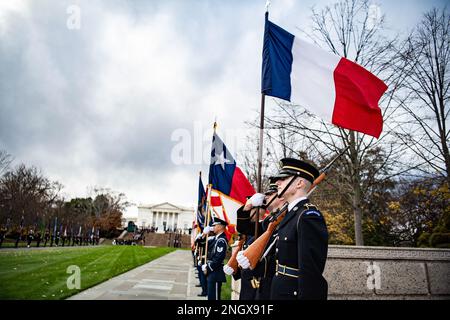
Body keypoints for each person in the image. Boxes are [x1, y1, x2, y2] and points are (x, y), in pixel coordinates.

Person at [269, 158, 328, 300]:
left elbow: (310, 272)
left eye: (283, 179)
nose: (277, 182)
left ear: (300, 183)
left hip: (293, 293)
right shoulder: (291, 214)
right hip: (280, 289)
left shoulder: (308, 216)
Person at [231, 179, 284, 300]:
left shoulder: (287, 218)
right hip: (259, 283)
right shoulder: (270, 220)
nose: (266, 196)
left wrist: (254, 262)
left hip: (271, 283)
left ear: (281, 197)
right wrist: (248, 205)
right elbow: (244, 228)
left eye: (270, 193)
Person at [202, 218, 228, 300]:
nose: (213, 227)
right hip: (213, 272)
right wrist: (204, 234)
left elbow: (218, 258)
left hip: (216, 272)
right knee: (211, 296)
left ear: (220, 227)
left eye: (215, 225)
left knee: (214, 297)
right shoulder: (216, 238)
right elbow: (201, 243)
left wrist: (208, 267)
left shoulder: (221, 240)